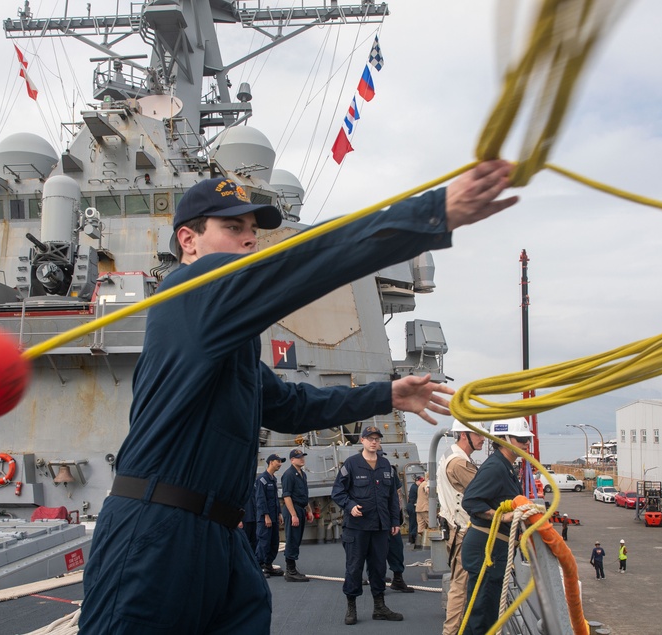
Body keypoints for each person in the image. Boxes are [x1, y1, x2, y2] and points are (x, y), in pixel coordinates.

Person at [79, 162, 521, 634]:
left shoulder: (229, 337)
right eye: (233, 228)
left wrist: (386, 394)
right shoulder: (192, 288)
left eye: (252, 230)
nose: (250, 239)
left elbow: (291, 407)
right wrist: (429, 214)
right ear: (189, 240)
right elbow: (304, 259)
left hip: (220, 534)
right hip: (158, 531)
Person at [459, 419, 534, 635]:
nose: (526, 444)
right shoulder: (495, 467)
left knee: (486, 613)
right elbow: (471, 501)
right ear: (503, 440)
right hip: (486, 550)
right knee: (481, 617)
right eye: (521, 439)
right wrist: (503, 517)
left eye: (527, 439)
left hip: (492, 551)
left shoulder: (504, 466)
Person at [332, 426, 404, 625]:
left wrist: (395, 521)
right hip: (357, 528)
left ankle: (379, 607)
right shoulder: (352, 464)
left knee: (379, 568)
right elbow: (338, 491)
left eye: (377, 439)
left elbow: (392, 498)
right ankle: (351, 607)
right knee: (354, 568)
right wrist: (350, 506)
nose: (374, 442)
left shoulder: (386, 465)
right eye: (370, 438)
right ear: (362, 441)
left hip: (381, 527)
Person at [436, 419, 485, 635]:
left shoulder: (449, 455)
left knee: (460, 583)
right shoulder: (459, 463)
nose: (483, 438)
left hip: (454, 528)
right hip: (464, 532)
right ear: (464, 435)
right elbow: (484, 493)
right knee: (460, 586)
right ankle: (451, 631)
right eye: (478, 434)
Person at [281, 448, 313, 582]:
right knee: (292, 539)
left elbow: (304, 494)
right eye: (299, 457)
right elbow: (287, 496)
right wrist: (293, 515)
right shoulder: (288, 474)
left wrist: (309, 510)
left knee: (297, 539)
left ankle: (292, 568)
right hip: (292, 509)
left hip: (301, 508)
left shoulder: (302, 475)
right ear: (292, 460)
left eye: (302, 456)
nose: (302, 459)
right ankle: (290, 571)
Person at [385, 461, 414, 594]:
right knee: (374, 552)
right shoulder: (356, 468)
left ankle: (397, 579)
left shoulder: (389, 470)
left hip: (390, 517)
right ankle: (377, 580)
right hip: (371, 519)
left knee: (396, 548)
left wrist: (397, 517)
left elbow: (397, 493)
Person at [256, 453, 285, 576]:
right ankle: (258, 567)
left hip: (273, 517)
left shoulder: (273, 479)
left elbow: (275, 499)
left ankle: (268, 565)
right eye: (278, 461)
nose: (280, 464)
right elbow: (260, 499)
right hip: (265, 518)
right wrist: (266, 515)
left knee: (274, 541)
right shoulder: (262, 479)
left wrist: (279, 513)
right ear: (271, 462)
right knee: (264, 542)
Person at [414, 474, 430, 549]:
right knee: (431, 523)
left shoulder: (420, 486)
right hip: (425, 507)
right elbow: (428, 490)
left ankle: (418, 544)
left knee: (420, 526)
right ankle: (429, 544)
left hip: (419, 508)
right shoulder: (425, 484)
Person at [406, 475, 420, 546]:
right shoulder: (416, 488)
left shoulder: (412, 486)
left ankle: (411, 539)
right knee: (414, 522)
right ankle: (413, 536)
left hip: (410, 505)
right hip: (412, 506)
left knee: (412, 522)